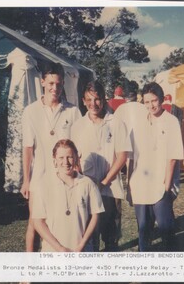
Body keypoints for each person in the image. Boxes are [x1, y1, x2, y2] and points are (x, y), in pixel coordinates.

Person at [20, 62, 81, 252]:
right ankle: (29, 271)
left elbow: (78, 147)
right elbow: (28, 148)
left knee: (62, 222)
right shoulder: (30, 111)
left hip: (65, 178)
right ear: (43, 82)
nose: (55, 88)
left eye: (59, 84)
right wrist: (26, 180)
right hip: (39, 178)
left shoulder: (73, 111)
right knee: (34, 223)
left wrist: (77, 172)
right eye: (51, 83)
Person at [71, 81, 131, 251]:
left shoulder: (116, 123)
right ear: (83, 101)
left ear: (103, 99)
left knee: (111, 238)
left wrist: (104, 182)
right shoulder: (78, 126)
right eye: (89, 100)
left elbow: (122, 156)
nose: (93, 104)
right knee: (90, 238)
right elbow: (74, 159)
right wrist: (86, 184)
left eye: (97, 99)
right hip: (87, 190)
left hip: (110, 190)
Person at [128, 82, 184, 251]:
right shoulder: (138, 122)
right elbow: (132, 156)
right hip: (140, 184)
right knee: (143, 230)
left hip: (161, 185)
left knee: (166, 229)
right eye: (146, 102)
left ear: (161, 99)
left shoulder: (171, 121)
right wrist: (130, 185)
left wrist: (167, 188)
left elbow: (173, 157)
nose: (151, 105)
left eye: (154, 100)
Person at [32, 139, 104, 252]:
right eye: (61, 158)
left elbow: (95, 216)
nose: (66, 162)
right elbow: (38, 222)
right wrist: (59, 248)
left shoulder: (87, 183)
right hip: (53, 252)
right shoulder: (44, 185)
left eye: (70, 157)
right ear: (54, 160)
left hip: (81, 251)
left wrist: (82, 245)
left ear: (76, 158)